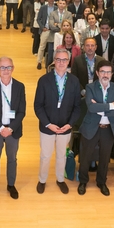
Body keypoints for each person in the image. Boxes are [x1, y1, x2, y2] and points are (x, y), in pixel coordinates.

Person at [33, 48, 81, 194]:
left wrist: (70, 124)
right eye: (58, 59)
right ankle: (42, 180)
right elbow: (38, 106)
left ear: (68, 61)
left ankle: (60, 179)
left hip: (65, 127)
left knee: (61, 156)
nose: (61, 62)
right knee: (46, 156)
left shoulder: (74, 81)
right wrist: (48, 124)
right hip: (47, 126)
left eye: (64, 60)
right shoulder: (44, 80)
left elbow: (77, 107)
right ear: (54, 61)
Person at [0, 57, 26, 202]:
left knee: (12, 159)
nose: (5, 70)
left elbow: (22, 111)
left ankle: (11, 185)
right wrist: (1, 128)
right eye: (2, 67)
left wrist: (10, 128)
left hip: (13, 130)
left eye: (8, 67)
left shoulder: (20, 86)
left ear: (13, 68)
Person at [77, 61, 114, 196]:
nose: (105, 75)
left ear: (112, 74)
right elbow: (91, 108)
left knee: (105, 157)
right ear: (97, 73)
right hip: (91, 127)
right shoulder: (90, 87)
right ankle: (83, 181)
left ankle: (101, 182)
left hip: (108, 129)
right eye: (103, 71)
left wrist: (100, 108)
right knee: (85, 156)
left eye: (108, 72)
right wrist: (111, 106)